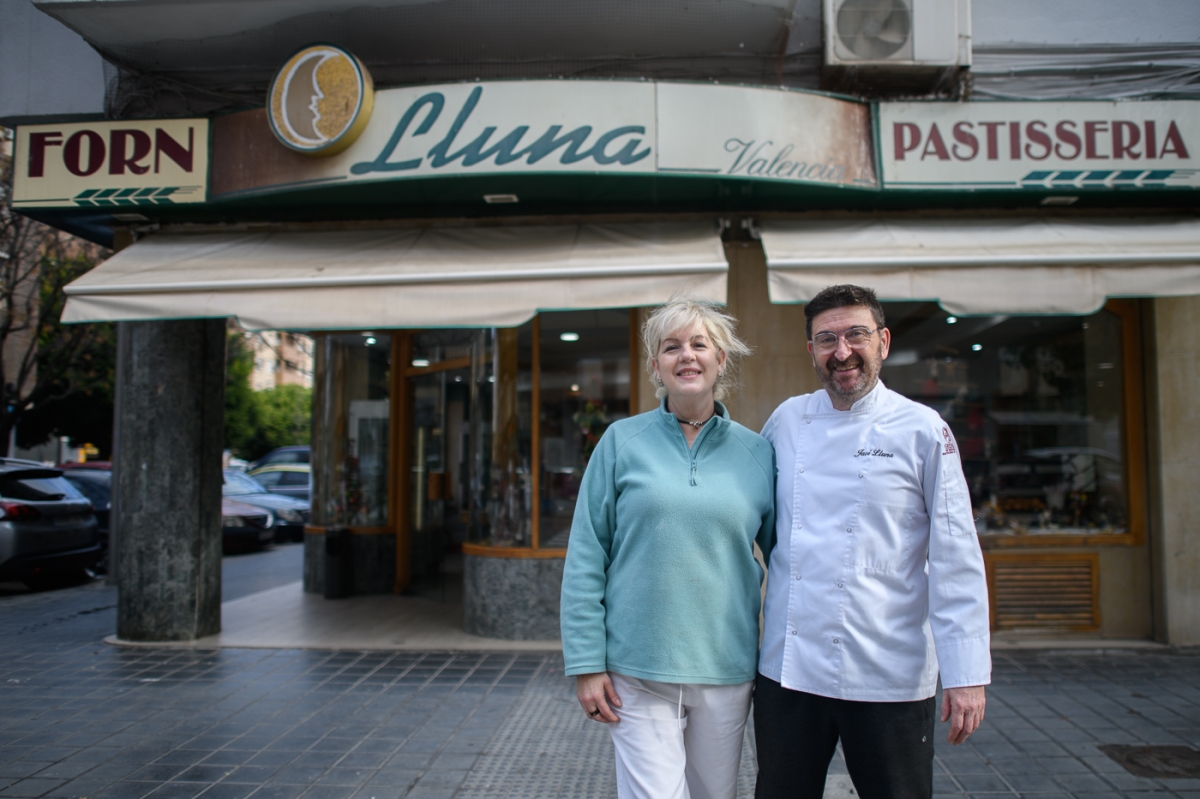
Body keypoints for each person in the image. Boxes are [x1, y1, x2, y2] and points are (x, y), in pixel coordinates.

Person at [754, 284, 991, 799]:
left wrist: (966, 673)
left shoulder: (923, 430)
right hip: (789, 671)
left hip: (889, 673)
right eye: (826, 339)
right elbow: (758, 522)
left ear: (882, 341)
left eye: (856, 335)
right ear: (811, 351)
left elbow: (956, 556)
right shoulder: (787, 422)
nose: (842, 352)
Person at [560, 297, 775, 799]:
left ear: (721, 359)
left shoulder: (757, 452)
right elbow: (587, 554)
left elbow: (790, 559)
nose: (687, 355)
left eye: (700, 344)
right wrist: (587, 663)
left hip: (726, 667)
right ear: (656, 364)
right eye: (671, 346)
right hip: (636, 668)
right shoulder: (620, 442)